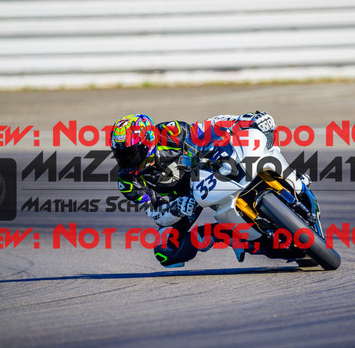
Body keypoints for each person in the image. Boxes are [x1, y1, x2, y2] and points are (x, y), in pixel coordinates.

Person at [110, 111, 277, 268]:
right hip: (185, 200)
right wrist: (176, 209)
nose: (126, 161)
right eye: (120, 156)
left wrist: (244, 120)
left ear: (147, 142)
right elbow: (155, 212)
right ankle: (223, 234)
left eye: (131, 154)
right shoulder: (128, 181)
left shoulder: (170, 132)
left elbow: (208, 127)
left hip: (207, 171)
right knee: (166, 252)